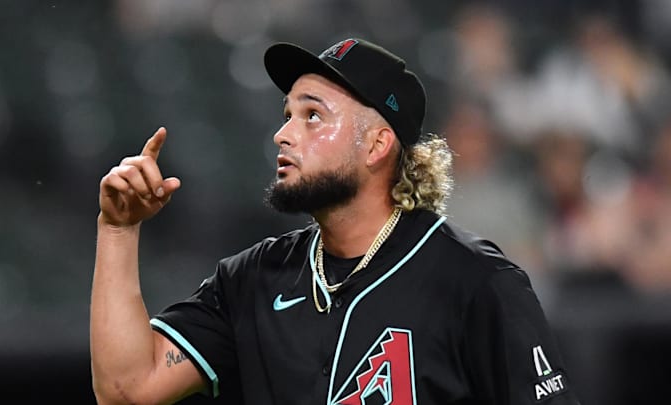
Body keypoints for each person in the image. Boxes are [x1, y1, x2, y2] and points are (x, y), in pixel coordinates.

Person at [90, 38, 581, 405]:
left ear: (376, 145)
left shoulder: (477, 281)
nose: (283, 134)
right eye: (287, 114)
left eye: (312, 116)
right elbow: (126, 390)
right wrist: (117, 230)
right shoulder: (251, 281)